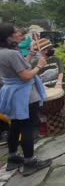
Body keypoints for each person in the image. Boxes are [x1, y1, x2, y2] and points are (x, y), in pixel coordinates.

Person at [0, 23, 52, 176]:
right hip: (25, 95)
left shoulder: (3, 52)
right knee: (28, 127)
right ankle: (30, 162)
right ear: (9, 37)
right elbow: (25, 76)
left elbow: (20, 68)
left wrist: (30, 54)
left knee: (15, 126)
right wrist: (40, 66)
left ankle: (13, 158)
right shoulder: (12, 54)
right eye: (16, 32)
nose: (19, 34)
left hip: (11, 93)